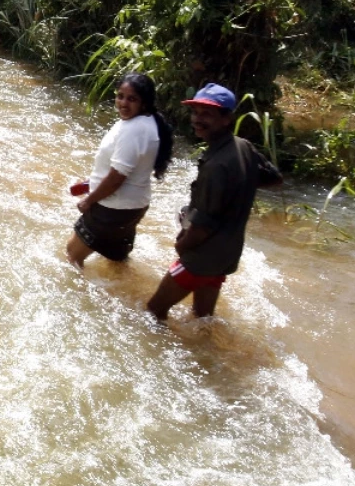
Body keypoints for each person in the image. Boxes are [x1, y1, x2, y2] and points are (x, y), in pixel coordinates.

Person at [146, 83, 283, 320]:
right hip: (226, 256)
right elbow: (274, 177)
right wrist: (237, 188)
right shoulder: (243, 146)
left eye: (206, 114)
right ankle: (206, 356)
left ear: (226, 118)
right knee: (203, 317)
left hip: (201, 258)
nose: (197, 119)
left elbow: (202, 227)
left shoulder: (216, 165)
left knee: (153, 311)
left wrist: (181, 246)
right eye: (195, 112)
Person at [66, 73, 174, 268]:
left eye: (131, 99)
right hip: (131, 208)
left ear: (144, 103)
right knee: (116, 261)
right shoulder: (146, 123)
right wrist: (93, 181)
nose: (123, 103)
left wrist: (89, 200)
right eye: (120, 96)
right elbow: (121, 167)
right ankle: (122, 296)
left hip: (111, 209)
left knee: (73, 256)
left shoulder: (134, 130)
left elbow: (117, 177)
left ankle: (84, 297)